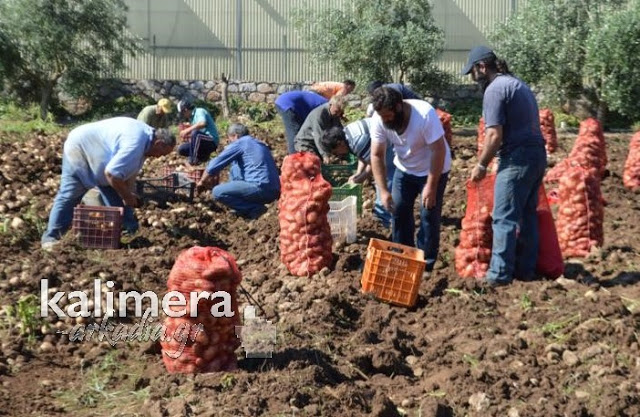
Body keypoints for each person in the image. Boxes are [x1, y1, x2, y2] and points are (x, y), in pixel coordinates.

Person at [463, 45, 547, 287]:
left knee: (503, 217)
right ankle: (525, 270)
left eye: (473, 72)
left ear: (482, 67)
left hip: (517, 158)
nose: (473, 79)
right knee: (528, 215)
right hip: (536, 155)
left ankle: (499, 275)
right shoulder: (517, 84)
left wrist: (481, 164)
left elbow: (493, 136)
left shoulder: (494, 90)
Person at [41, 118, 176, 250]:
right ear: (158, 143)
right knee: (70, 194)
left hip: (101, 156)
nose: (159, 157)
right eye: (161, 153)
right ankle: (51, 238)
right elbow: (112, 174)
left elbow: (129, 173)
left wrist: (130, 192)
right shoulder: (136, 143)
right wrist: (127, 196)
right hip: (81, 148)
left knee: (116, 188)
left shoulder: (148, 140)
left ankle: (130, 229)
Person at [369, 87, 452, 273]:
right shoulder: (379, 119)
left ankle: (425, 263)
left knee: (428, 214)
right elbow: (376, 155)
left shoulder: (424, 115)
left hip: (433, 168)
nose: (385, 120)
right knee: (398, 209)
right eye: (382, 116)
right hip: (405, 168)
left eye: (388, 116)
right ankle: (403, 257)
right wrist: (382, 190)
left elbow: (439, 150)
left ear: (399, 107)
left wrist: (431, 186)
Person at [320, 120, 396, 228]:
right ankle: (385, 215)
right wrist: (358, 173)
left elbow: (374, 165)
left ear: (339, 144)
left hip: (390, 143)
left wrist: (359, 179)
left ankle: (387, 219)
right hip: (380, 141)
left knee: (384, 181)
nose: (337, 155)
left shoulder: (357, 140)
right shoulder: (346, 136)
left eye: (335, 152)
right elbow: (363, 155)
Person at [196, 123, 280, 219]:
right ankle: (247, 206)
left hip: (259, 188)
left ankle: (254, 208)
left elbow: (215, 163)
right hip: (274, 191)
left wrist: (202, 182)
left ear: (236, 136)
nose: (229, 142)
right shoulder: (259, 144)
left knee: (217, 192)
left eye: (230, 139)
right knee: (235, 165)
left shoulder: (241, 143)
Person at [294, 94, 347, 162]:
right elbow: (318, 136)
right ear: (330, 105)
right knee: (313, 163)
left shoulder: (335, 114)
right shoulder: (319, 114)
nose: (338, 114)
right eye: (336, 111)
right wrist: (324, 155)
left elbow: (339, 131)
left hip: (319, 144)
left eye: (340, 112)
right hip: (306, 143)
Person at [176, 98, 219, 165]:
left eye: (183, 114)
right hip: (202, 141)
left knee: (195, 133)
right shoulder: (191, 118)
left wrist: (188, 130)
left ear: (185, 110)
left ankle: (193, 160)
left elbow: (202, 123)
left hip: (211, 141)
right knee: (182, 149)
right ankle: (202, 158)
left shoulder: (199, 111)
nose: (183, 116)